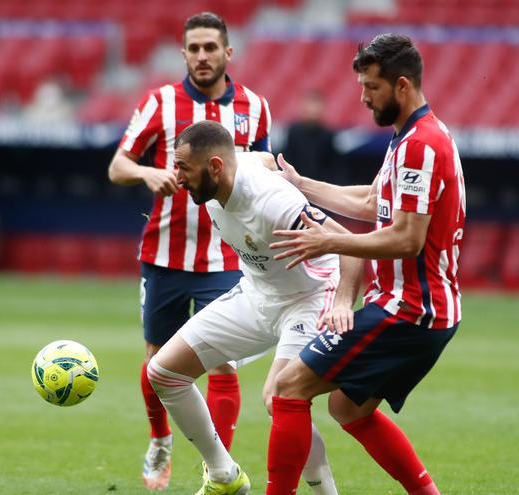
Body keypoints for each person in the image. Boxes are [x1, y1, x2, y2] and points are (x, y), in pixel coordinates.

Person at [264, 34, 466, 495]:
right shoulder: (412, 136)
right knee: (347, 408)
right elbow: (374, 200)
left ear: (401, 85)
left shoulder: (420, 145)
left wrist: (329, 240)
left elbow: (408, 239)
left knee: (288, 388)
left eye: (370, 87)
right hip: (421, 309)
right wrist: (300, 184)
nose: (362, 97)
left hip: (408, 309)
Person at [148, 120, 362, 495]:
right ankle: (223, 475)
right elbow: (260, 158)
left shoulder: (274, 204)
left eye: (183, 167)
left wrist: (343, 301)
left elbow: (350, 246)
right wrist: (275, 167)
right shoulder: (231, 168)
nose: (177, 177)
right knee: (163, 372)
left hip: (308, 298)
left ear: (215, 166)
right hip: (257, 293)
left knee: (278, 397)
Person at [107, 12, 271, 491]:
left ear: (228, 53)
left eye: (210, 48)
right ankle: (160, 438)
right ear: (183, 54)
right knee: (158, 359)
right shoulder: (159, 102)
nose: (202, 56)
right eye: (194, 48)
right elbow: (118, 165)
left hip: (227, 256)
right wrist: (146, 174)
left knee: (221, 361)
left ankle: (217, 467)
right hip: (164, 254)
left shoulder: (255, 107)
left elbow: (261, 172)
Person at [282, 90, 343, 184]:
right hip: (296, 184)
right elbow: (288, 158)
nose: (312, 110)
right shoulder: (293, 132)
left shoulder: (328, 135)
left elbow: (333, 166)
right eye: (310, 105)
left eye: (316, 106)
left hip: (320, 186)